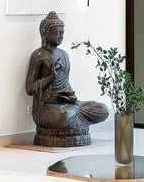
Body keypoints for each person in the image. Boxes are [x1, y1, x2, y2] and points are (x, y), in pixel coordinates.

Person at [25, 12, 109, 148]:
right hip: (47, 108)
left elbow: (65, 84)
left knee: (102, 109)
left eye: (62, 33)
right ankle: (73, 121)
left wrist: (71, 96)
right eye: (57, 33)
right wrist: (49, 77)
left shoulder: (64, 54)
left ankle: (73, 119)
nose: (61, 36)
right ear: (44, 33)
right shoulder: (38, 56)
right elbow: (29, 89)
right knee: (64, 115)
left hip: (67, 104)